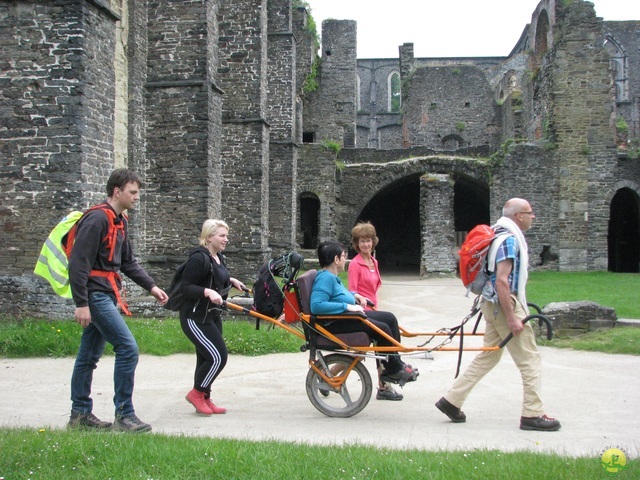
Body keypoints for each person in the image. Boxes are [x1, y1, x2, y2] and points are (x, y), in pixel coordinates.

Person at [435, 198, 561, 431]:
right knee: (530, 359)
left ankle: (451, 400)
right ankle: (532, 414)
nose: (533, 217)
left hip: (491, 304)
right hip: (503, 305)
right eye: (530, 213)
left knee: (489, 355)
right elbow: (502, 281)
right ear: (518, 215)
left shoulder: (497, 233)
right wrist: (512, 317)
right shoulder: (509, 240)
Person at [68, 169, 169, 432]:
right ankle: (124, 415)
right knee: (127, 348)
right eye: (133, 192)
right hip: (95, 294)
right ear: (117, 191)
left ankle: (79, 415)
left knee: (88, 356)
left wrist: (152, 286)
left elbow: (127, 262)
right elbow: (78, 264)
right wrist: (81, 303)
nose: (137, 197)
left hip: (107, 293)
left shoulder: (119, 221)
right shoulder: (97, 219)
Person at [310, 241, 419, 386]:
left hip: (346, 317)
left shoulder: (332, 277)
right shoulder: (325, 278)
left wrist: (355, 297)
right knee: (382, 329)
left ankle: (394, 363)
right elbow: (316, 306)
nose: (345, 259)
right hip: (336, 323)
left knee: (389, 319)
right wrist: (347, 306)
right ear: (336, 260)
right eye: (343, 256)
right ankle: (394, 369)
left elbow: (338, 295)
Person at [180, 219, 247, 415]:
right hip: (195, 317)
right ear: (209, 237)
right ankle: (196, 393)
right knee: (218, 357)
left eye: (226, 235)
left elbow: (215, 275)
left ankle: (205, 397)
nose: (226, 239)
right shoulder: (198, 258)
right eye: (222, 236)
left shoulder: (218, 257)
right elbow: (186, 287)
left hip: (212, 315)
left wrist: (231, 280)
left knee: (205, 357)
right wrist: (207, 292)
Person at [348, 221, 402, 401]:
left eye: (368, 240)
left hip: (373, 308)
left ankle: (384, 383)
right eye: (362, 241)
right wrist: (361, 300)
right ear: (357, 244)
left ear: (373, 241)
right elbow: (352, 291)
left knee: (385, 332)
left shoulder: (373, 262)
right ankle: (393, 369)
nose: (365, 244)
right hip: (362, 310)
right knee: (385, 330)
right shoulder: (355, 264)